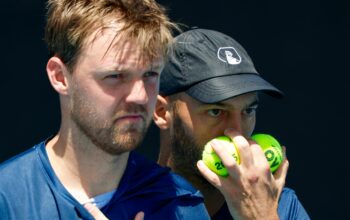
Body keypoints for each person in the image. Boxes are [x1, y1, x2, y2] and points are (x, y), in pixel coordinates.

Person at [0, 1, 210, 219]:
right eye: (115, 76)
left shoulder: (180, 203)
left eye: (150, 75)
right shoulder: (7, 198)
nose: (140, 96)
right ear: (61, 77)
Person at [153, 28, 310, 219]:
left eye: (248, 111)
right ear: (162, 112)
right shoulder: (124, 204)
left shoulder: (281, 205)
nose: (238, 131)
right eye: (216, 111)